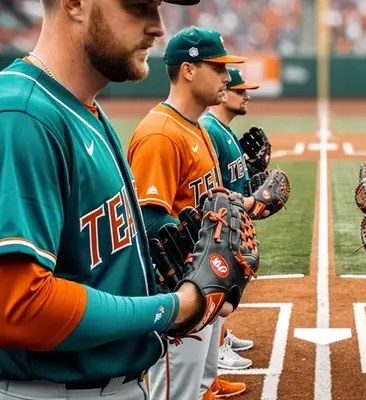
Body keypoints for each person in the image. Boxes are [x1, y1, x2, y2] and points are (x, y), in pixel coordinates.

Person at [0, 0, 226, 399]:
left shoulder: (80, 109)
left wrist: (157, 278)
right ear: (74, 3)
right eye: (139, 7)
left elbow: (89, 265)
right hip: (44, 391)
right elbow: (14, 311)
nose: (158, 27)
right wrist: (173, 307)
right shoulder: (17, 119)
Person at [125, 26, 250, 400]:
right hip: (179, 293)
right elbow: (148, 222)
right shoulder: (161, 134)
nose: (228, 77)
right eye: (219, 67)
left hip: (201, 285)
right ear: (189, 70)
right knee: (176, 393)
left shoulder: (195, 128)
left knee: (198, 386)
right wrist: (202, 265)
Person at [198, 67, 264, 398]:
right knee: (214, 290)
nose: (246, 95)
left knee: (222, 291)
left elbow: (231, 181)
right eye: (240, 90)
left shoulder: (222, 130)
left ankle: (215, 357)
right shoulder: (210, 129)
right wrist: (251, 200)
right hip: (218, 230)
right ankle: (216, 353)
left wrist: (252, 175)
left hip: (232, 227)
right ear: (225, 94)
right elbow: (216, 191)